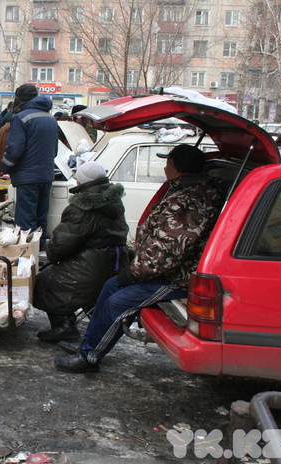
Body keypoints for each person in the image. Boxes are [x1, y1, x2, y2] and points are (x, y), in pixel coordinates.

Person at [54, 145, 225, 373]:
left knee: (119, 302)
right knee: (109, 287)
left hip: (175, 277)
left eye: (168, 163)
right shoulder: (182, 191)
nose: (165, 167)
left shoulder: (190, 201)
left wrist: (135, 272)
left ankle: (89, 357)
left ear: (178, 169)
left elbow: (170, 251)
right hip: (158, 269)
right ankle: (88, 343)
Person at [33, 161, 129, 342]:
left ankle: (64, 325)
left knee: (44, 279)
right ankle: (77, 318)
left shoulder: (82, 208)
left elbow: (60, 245)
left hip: (92, 266)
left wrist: (51, 257)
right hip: (117, 262)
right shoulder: (114, 200)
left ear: (81, 182)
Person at [1, 84, 58, 238]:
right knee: (41, 219)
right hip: (46, 175)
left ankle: (26, 256)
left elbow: (15, 149)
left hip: (27, 177)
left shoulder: (21, 117)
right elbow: (55, 151)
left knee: (26, 221)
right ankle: (39, 251)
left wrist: (5, 167)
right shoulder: (50, 118)